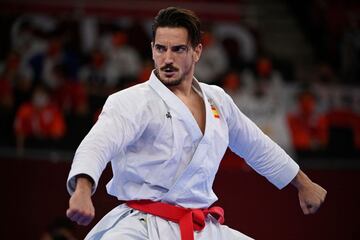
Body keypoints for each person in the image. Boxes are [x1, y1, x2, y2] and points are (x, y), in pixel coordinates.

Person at [66, 7, 327, 240]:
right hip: (141, 225)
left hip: (201, 226)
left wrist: (304, 184)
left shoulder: (218, 100)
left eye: (178, 49)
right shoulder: (131, 101)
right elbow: (98, 144)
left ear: (197, 51)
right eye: (161, 48)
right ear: (152, 49)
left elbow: (256, 146)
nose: (167, 59)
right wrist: (82, 189)